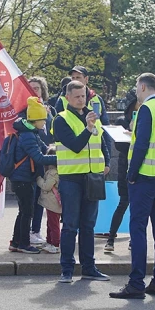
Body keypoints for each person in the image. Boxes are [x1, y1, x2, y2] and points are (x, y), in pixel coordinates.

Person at [109, 73, 155, 299]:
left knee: (137, 228)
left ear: (142, 87)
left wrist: (131, 173)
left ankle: (136, 282)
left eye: (137, 87)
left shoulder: (147, 109)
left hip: (145, 175)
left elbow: (142, 144)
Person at [54, 80, 111, 283]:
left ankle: (89, 268)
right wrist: (88, 128)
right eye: (77, 96)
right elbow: (76, 145)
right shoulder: (61, 119)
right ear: (67, 97)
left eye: (83, 96)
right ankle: (67, 269)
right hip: (71, 178)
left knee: (88, 226)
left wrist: (107, 161)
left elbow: (103, 142)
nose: (81, 100)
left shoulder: (94, 118)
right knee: (70, 225)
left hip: (93, 176)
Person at [8, 97, 57, 254]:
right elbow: (40, 158)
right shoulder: (28, 135)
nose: (45, 123)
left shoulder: (30, 132)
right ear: (36, 120)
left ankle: (16, 242)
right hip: (23, 179)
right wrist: (61, 158)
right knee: (27, 212)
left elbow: (44, 148)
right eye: (43, 120)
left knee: (23, 211)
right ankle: (23, 243)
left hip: (21, 178)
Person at [104, 88, 137, 253]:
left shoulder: (147, 119)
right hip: (126, 167)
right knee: (123, 202)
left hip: (142, 167)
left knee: (138, 207)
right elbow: (119, 145)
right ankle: (110, 238)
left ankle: (134, 239)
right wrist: (131, 134)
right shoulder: (122, 120)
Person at [28, 76, 56, 245]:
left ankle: (38, 230)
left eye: (37, 88)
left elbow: (53, 131)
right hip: (34, 160)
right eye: (30, 88)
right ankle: (31, 230)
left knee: (46, 198)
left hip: (48, 158)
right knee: (32, 199)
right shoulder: (26, 111)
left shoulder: (50, 109)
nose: (33, 91)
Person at [36, 148, 61, 254]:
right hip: (54, 203)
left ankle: (55, 244)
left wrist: (39, 179)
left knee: (53, 224)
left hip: (52, 203)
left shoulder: (52, 173)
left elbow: (46, 186)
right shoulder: (57, 172)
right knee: (51, 223)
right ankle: (49, 242)